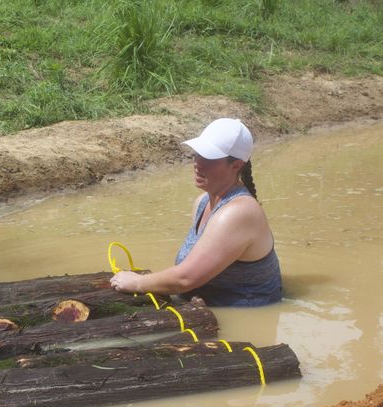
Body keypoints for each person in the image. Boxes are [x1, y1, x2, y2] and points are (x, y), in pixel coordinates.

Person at [110, 118, 282, 306]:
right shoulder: (202, 202)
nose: (198, 163)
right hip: (202, 305)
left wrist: (137, 282)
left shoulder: (239, 212)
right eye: (197, 154)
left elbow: (186, 278)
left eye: (209, 158)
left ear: (236, 165)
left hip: (244, 317)